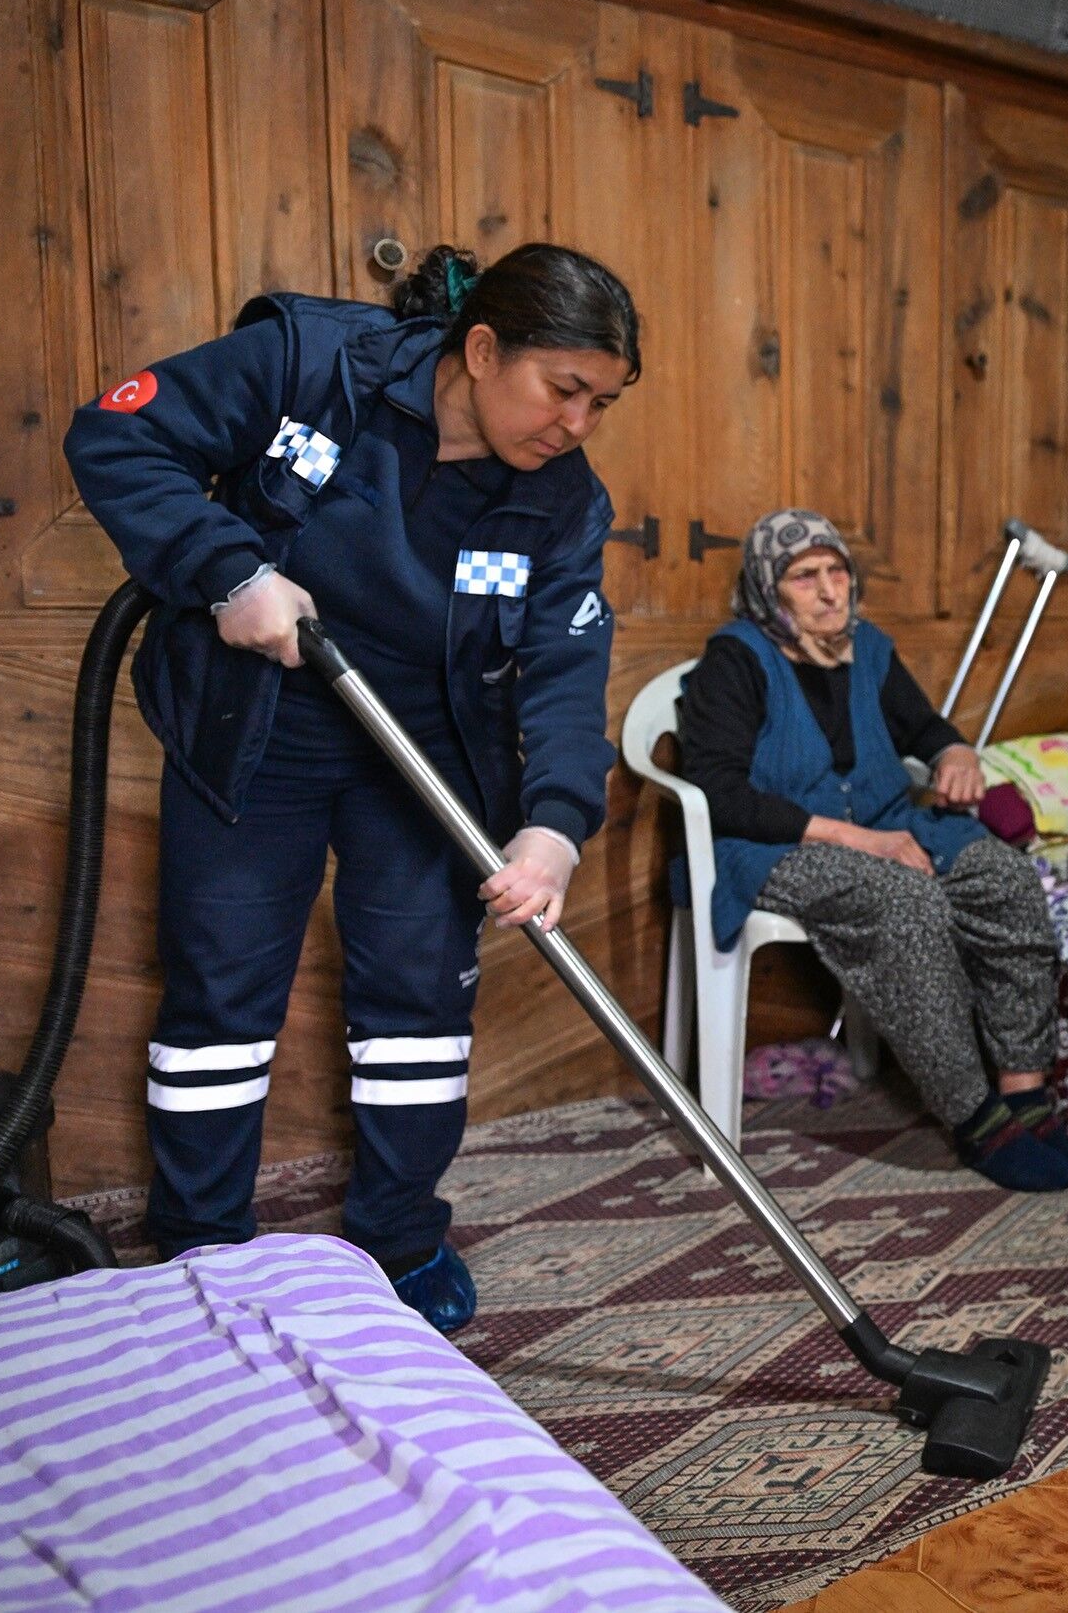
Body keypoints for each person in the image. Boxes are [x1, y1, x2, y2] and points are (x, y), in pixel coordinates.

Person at [64, 242, 640, 1332]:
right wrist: (225, 567)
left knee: (419, 1002)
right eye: (562, 390)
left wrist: (554, 829)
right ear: (481, 350)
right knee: (221, 996)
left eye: (600, 404)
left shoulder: (562, 502)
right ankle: (200, 1248)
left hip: (422, 759)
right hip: (255, 732)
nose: (575, 424)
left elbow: (567, 671)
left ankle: (400, 1241)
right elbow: (119, 434)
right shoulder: (309, 364)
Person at [674, 510, 1068, 1190]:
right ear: (769, 588)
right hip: (773, 844)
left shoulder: (867, 649)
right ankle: (975, 1119)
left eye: (837, 571)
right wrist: (855, 837)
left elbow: (926, 726)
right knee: (905, 900)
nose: (829, 591)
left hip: (886, 823)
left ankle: (1026, 1096)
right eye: (804, 576)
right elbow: (719, 792)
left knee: (1003, 873)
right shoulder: (734, 661)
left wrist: (955, 751)